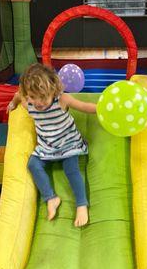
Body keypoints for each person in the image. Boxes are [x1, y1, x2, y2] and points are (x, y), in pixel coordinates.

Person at [7, 63, 96, 227]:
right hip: (47, 145)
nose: (38, 103)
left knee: (72, 170)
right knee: (32, 164)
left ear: (53, 91)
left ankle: (81, 205)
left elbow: (85, 107)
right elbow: (18, 95)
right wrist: (13, 104)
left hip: (68, 142)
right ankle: (51, 198)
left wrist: (102, 109)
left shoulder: (61, 100)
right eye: (33, 97)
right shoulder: (30, 103)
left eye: (43, 97)